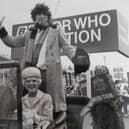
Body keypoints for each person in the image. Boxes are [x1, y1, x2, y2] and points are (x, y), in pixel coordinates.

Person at [0, 2, 90, 126]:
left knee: (51, 105)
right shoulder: (29, 33)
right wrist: (2, 32)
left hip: (49, 74)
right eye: (38, 14)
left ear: (48, 16)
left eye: (44, 14)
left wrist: (78, 59)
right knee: (29, 103)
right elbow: (13, 42)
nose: (41, 16)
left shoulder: (56, 30)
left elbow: (68, 47)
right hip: (31, 73)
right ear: (34, 17)